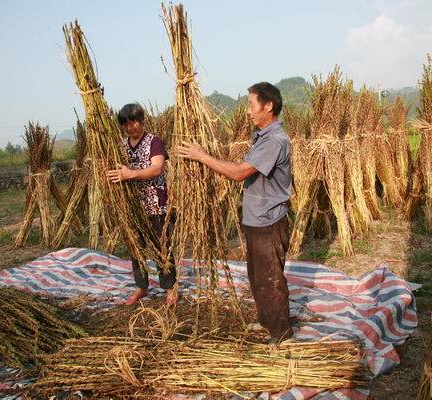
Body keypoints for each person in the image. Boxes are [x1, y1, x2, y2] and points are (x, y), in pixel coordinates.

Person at [177, 82, 293, 343]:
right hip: (256, 219)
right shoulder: (262, 137)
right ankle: (267, 322)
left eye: (252, 105)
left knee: (271, 278)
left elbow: (240, 173)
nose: (248, 111)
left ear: (268, 106)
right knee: (257, 276)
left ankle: (283, 336)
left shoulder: (274, 140)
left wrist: (201, 156)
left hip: (269, 221)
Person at [106, 103, 178, 306]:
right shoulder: (120, 146)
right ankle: (141, 287)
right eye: (126, 124)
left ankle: (170, 288)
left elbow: (156, 169)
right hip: (133, 206)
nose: (130, 127)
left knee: (160, 246)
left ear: (142, 120)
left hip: (155, 204)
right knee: (135, 248)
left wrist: (130, 174)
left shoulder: (154, 142)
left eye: (134, 122)